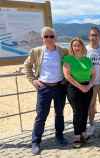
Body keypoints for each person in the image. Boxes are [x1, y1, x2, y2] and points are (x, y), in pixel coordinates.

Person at [24, 26, 68, 155]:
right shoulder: (36, 51)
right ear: (42, 38)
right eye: (46, 36)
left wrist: (67, 79)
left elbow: (72, 62)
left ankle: (59, 136)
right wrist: (33, 80)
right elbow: (27, 65)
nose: (49, 39)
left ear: (55, 38)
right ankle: (36, 141)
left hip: (60, 87)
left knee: (59, 114)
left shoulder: (63, 51)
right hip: (44, 88)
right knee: (41, 115)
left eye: (51, 36)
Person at [62, 37, 95, 148]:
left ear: (82, 46)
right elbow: (67, 75)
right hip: (74, 88)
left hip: (88, 87)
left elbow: (93, 75)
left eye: (78, 45)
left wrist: (89, 85)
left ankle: (83, 132)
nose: (76, 47)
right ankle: (76, 135)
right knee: (77, 111)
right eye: (74, 45)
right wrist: (80, 86)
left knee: (85, 110)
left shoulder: (87, 60)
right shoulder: (68, 59)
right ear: (71, 47)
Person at [86, 27, 100, 135]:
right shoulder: (85, 50)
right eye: (92, 35)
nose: (93, 37)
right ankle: (91, 124)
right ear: (88, 36)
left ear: (99, 37)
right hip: (90, 83)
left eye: (95, 35)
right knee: (91, 105)